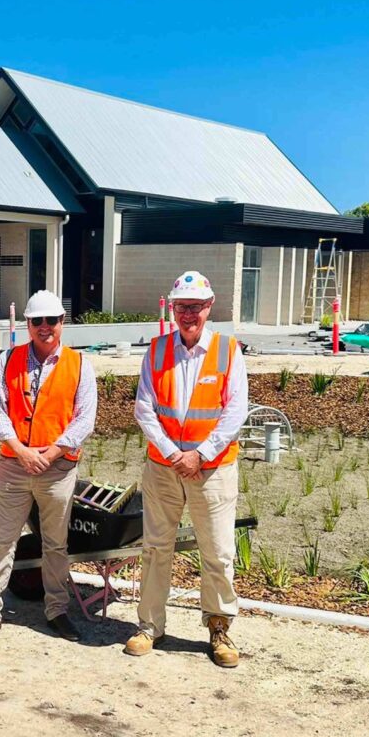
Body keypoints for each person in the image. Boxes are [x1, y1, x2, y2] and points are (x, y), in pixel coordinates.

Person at [124, 271, 248, 667]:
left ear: (209, 307)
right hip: (164, 469)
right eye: (182, 307)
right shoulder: (157, 351)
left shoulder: (229, 351)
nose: (188, 314)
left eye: (195, 307)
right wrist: (175, 454)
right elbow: (144, 408)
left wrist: (201, 454)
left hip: (212, 470)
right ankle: (149, 626)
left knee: (217, 552)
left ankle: (219, 628)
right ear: (172, 309)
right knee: (156, 549)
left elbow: (235, 411)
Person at [0, 290, 97, 643]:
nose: (44, 327)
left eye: (51, 320)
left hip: (57, 469)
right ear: (27, 325)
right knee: (1, 541)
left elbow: (84, 420)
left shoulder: (80, 365)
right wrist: (22, 452)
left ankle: (56, 610)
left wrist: (50, 454)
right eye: (37, 321)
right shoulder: (8, 361)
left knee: (55, 544)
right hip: (13, 465)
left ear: (62, 323)